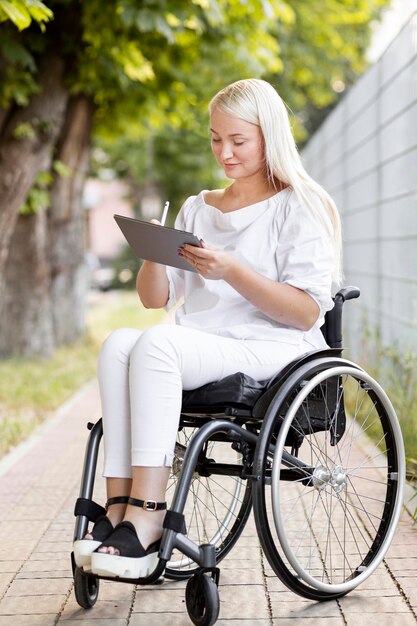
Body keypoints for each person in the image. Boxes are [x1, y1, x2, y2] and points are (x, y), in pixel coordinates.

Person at [73, 78, 342, 580]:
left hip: (273, 346)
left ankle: (148, 520)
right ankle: (117, 512)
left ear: (269, 136)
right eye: (216, 138)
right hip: (201, 344)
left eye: (239, 141)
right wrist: (154, 255)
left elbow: (307, 312)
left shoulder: (297, 205)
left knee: (155, 345)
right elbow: (156, 300)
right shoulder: (199, 206)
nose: (225, 152)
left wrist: (232, 271)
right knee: (117, 345)